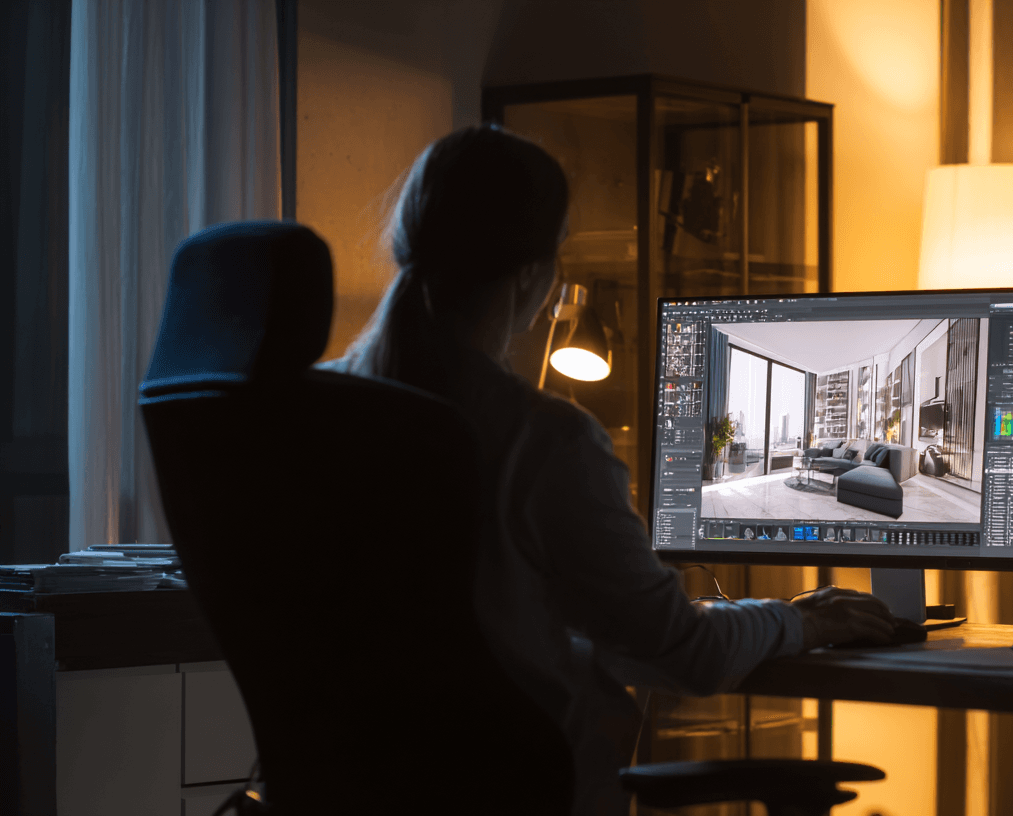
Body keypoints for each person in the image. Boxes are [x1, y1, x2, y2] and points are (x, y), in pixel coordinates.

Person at [318, 124, 898, 815]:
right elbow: (684, 654)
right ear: (536, 273)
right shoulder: (544, 440)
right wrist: (800, 621)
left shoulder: (308, 412)